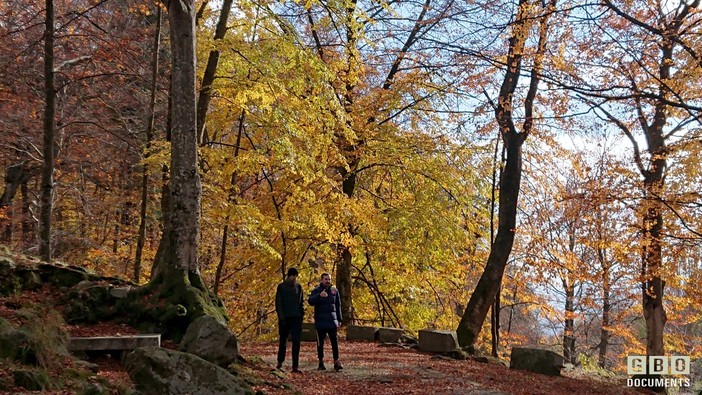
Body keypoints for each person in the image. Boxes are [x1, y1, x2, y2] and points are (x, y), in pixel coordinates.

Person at [308, 272, 344, 371]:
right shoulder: (317, 290)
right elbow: (310, 301)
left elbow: (338, 306)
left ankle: (336, 361)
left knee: (334, 342)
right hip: (321, 322)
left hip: (332, 321)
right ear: (322, 280)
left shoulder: (334, 291)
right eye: (326, 279)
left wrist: (339, 319)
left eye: (329, 279)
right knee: (320, 343)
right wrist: (319, 296)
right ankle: (321, 362)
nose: (327, 281)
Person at [275, 267, 304, 373]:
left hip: (296, 318)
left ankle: (295, 366)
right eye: (293, 276)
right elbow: (278, 303)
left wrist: (301, 315)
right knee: (283, 341)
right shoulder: (281, 287)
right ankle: (280, 362)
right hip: (285, 318)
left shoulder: (298, 287)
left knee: (296, 342)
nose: (294, 278)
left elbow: (301, 302)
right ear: (289, 276)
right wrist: (281, 317)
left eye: (296, 276)